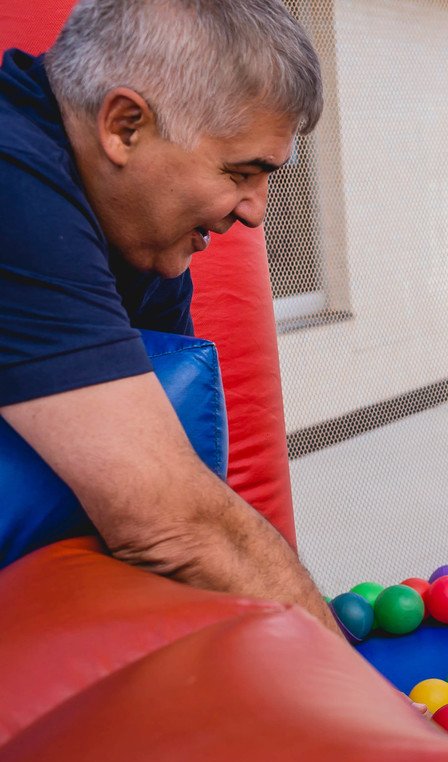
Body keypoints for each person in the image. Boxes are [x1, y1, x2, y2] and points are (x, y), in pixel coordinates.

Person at [0, 0, 341, 636]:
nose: (254, 213)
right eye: (239, 172)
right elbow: (171, 522)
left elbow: (180, 477)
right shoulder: (13, 181)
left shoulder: (140, 242)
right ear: (125, 126)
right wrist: (363, 701)